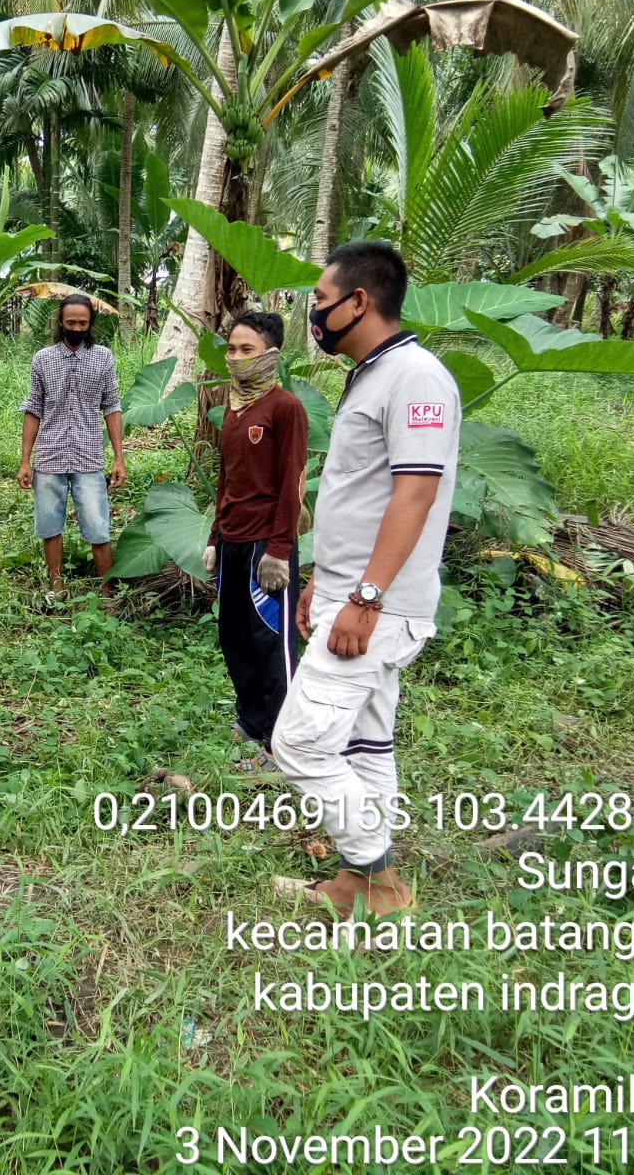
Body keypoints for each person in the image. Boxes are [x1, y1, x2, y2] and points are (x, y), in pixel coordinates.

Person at [270, 242, 462, 916]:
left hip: (378, 604)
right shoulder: (371, 374)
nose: (314, 317)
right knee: (366, 740)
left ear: (359, 301)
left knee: (298, 743)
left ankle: (379, 881)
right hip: (355, 592)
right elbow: (357, 495)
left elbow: (415, 494)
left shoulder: (416, 376)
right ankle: (357, 886)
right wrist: (324, 577)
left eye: (320, 304)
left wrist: (367, 597)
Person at [202, 311, 308, 770]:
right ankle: (251, 720)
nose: (236, 357)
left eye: (247, 349)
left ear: (270, 354)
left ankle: (281, 742)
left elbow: (292, 484)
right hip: (232, 539)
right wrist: (214, 536)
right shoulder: (231, 405)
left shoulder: (285, 408)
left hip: (268, 543)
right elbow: (227, 477)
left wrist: (281, 550)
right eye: (232, 349)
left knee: (272, 642)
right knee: (236, 636)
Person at [18, 294, 127, 598]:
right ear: (60, 323)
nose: (76, 328)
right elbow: (33, 409)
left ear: (90, 323)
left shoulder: (103, 358)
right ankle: (57, 588)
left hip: (89, 457)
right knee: (50, 525)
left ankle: (107, 592)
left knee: (97, 525)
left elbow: (112, 407)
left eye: (82, 323)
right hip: (49, 457)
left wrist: (119, 458)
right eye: (70, 323)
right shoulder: (43, 359)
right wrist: (25, 460)